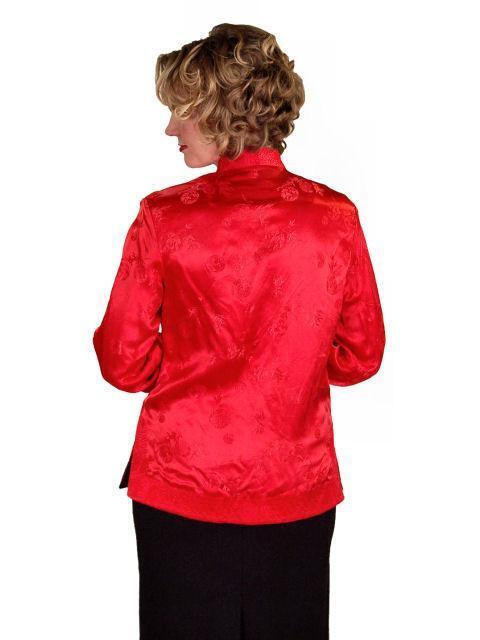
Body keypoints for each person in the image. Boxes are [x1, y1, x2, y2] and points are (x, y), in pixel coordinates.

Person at [92, 22, 386, 640]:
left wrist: (188, 366)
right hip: (296, 487)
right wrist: (292, 364)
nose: (170, 128)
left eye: (180, 109)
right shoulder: (335, 219)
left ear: (218, 111)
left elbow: (122, 362)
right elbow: (361, 356)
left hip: (180, 485)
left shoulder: (162, 217)